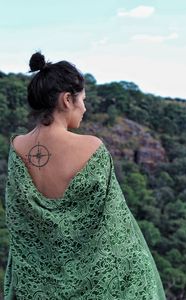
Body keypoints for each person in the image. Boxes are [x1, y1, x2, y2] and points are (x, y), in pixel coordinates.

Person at [4, 52, 166, 299]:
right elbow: (117, 229)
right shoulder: (92, 148)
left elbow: (22, 229)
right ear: (67, 99)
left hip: (35, 289)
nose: (85, 108)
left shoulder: (16, 149)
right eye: (83, 99)